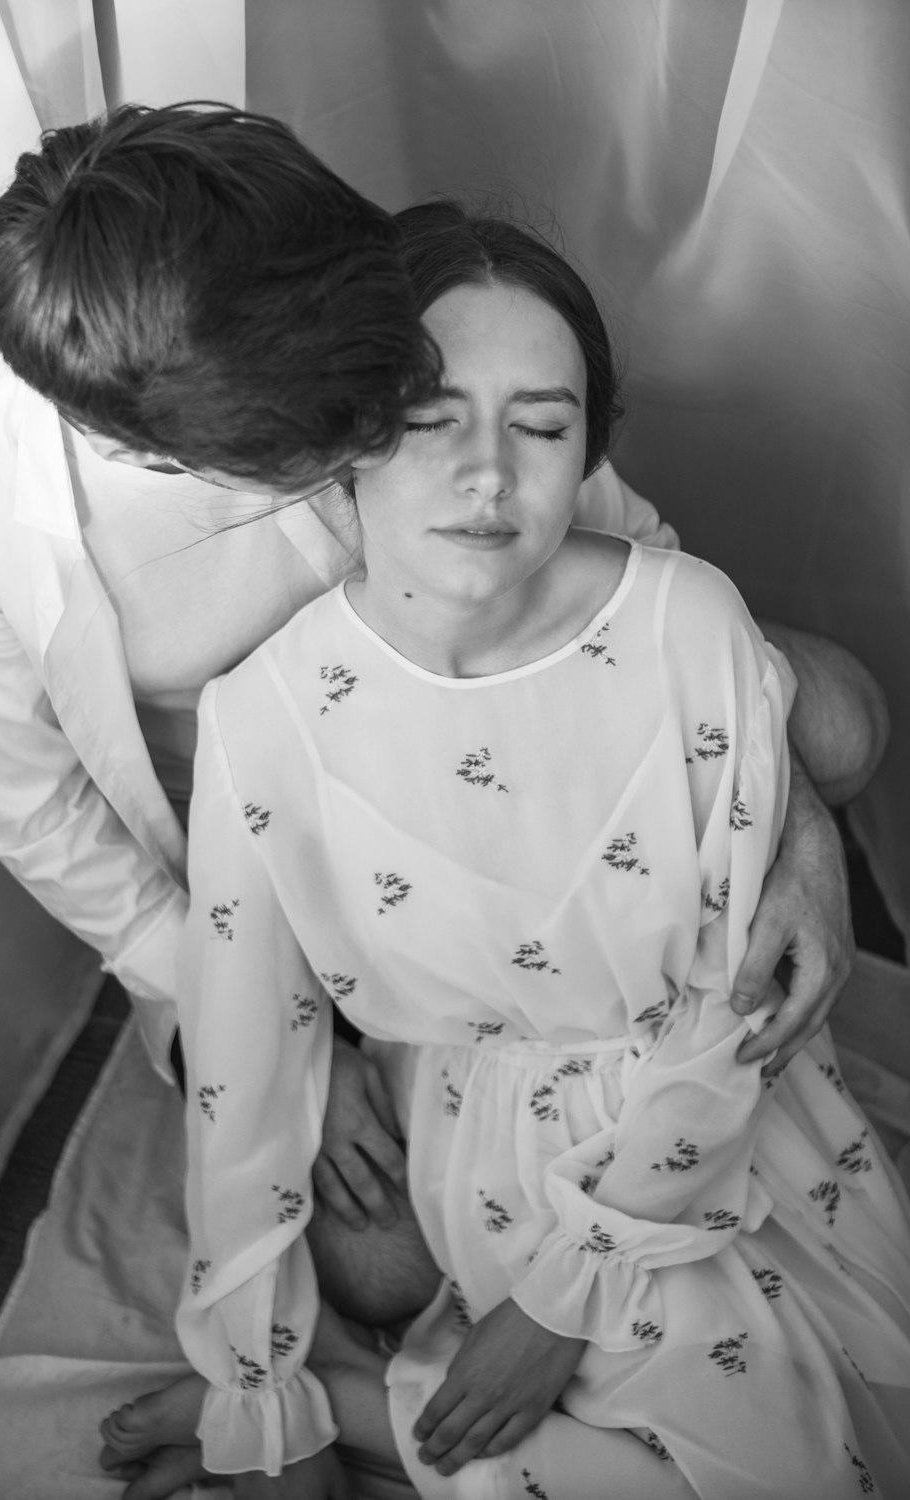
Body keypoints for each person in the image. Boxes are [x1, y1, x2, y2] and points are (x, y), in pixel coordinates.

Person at [104, 203, 910, 1500]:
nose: (488, 475)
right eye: (429, 422)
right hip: (486, 1156)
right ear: (344, 430)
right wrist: (261, 1397)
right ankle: (362, 1409)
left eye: (541, 426)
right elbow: (243, 1087)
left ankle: (390, 1414)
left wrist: (560, 1303)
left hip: (710, 1129)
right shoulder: (264, 720)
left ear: (591, 443)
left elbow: (726, 1015)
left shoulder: (687, 625)